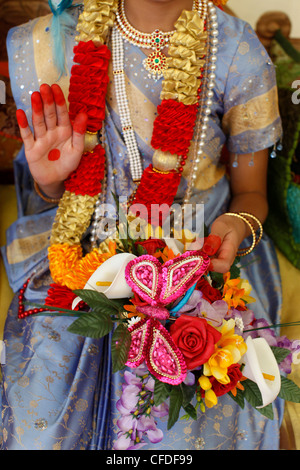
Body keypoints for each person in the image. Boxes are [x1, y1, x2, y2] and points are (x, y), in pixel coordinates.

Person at [0, 0, 284, 450]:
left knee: (190, 432)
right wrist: (50, 182)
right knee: (42, 423)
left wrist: (237, 221)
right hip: (88, 253)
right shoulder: (57, 41)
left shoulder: (237, 51)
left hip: (194, 261)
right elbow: (56, 196)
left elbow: (252, 194)